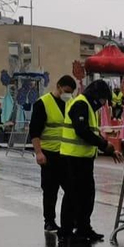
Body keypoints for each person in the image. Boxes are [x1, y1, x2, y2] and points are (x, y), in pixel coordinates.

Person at [58, 78, 120, 244]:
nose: (103, 103)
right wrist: (103, 144)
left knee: (87, 196)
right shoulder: (80, 104)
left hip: (84, 159)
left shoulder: (88, 107)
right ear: (95, 95)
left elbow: (92, 131)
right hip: (72, 158)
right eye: (102, 99)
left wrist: (105, 146)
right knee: (72, 196)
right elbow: (82, 131)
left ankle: (84, 227)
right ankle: (65, 231)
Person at [31, 76, 77, 233]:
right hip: (49, 154)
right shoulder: (43, 103)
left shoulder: (70, 103)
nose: (68, 95)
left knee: (72, 189)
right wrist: (38, 152)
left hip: (66, 154)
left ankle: (71, 220)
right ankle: (49, 221)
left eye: (71, 93)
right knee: (50, 190)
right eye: (66, 91)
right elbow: (34, 131)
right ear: (58, 87)